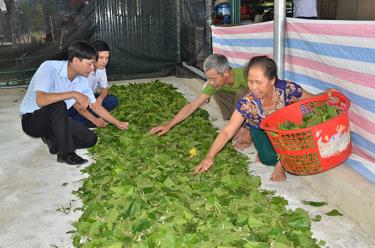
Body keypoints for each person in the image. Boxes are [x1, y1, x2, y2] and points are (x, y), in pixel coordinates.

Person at [195, 56, 335, 181]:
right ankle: (266, 149)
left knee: (303, 140)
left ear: (272, 80)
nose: (254, 87)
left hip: (284, 132)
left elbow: (311, 100)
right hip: (260, 129)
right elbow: (227, 131)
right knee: (267, 158)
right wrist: (210, 156)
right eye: (250, 82)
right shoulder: (248, 103)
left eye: (259, 82)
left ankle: (281, 163)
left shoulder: (288, 89)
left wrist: (326, 94)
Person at [19, 41, 128, 165]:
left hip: (57, 121)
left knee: (90, 139)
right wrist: (73, 93)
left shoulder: (82, 80)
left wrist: (117, 122)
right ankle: (66, 153)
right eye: (90, 64)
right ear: (76, 60)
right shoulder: (48, 67)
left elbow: (96, 106)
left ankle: (55, 141)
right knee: (58, 105)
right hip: (33, 121)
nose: (93, 68)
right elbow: (41, 100)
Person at [150, 54, 252, 148]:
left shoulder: (245, 76)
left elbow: (261, 103)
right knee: (218, 91)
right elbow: (193, 105)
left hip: (257, 108)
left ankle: (243, 128)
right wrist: (168, 125)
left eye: (213, 78)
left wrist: (247, 133)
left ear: (226, 73)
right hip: (238, 107)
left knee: (243, 94)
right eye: (208, 79)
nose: (211, 83)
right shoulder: (215, 84)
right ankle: (234, 124)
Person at [68, 40, 119, 128]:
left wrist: (100, 98)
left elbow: (104, 88)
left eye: (107, 58)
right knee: (83, 113)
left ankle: (89, 117)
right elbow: (73, 101)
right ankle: (83, 120)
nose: (104, 61)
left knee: (112, 100)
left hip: (89, 98)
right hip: (74, 103)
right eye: (101, 58)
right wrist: (94, 116)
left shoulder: (101, 68)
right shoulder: (81, 69)